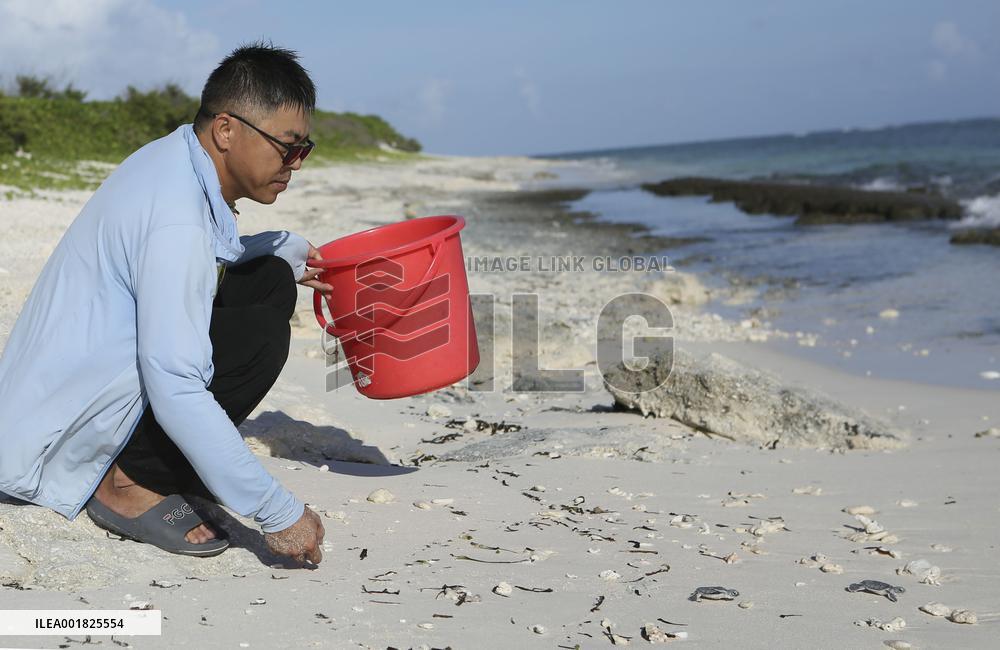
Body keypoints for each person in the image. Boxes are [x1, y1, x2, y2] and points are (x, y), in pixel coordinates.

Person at [0, 42, 331, 562]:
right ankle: (128, 481)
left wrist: (281, 247)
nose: (295, 164)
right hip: (56, 437)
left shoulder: (174, 156)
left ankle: (146, 462)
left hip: (66, 383)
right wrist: (278, 512)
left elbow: (206, 251)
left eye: (303, 150)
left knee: (268, 279)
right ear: (226, 130)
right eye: (286, 147)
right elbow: (175, 383)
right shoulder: (175, 217)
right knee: (259, 340)